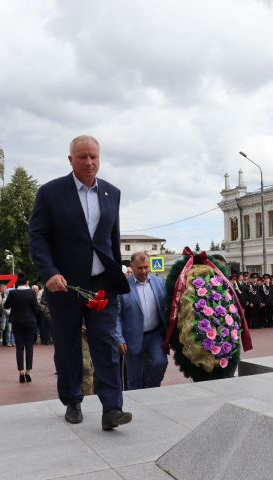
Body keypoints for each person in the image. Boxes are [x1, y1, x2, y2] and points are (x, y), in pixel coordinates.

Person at [28, 134, 132, 431]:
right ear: (70, 159)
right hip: (64, 286)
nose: (89, 162)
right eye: (83, 156)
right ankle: (73, 399)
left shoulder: (112, 192)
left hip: (102, 284)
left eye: (94, 156)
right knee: (68, 345)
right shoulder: (50, 193)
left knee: (107, 344)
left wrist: (116, 272)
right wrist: (48, 273)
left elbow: (111, 240)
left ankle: (112, 408)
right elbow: (37, 237)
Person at [115, 252, 168, 390]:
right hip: (131, 337)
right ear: (131, 267)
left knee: (160, 363)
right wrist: (119, 339)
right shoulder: (123, 287)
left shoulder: (159, 282)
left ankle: (150, 390)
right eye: (140, 268)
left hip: (155, 335)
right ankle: (137, 403)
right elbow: (117, 316)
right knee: (134, 379)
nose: (144, 271)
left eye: (146, 267)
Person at [3, 272, 41, 383]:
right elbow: (36, 309)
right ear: (27, 281)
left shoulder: (13, 293)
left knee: (19, 347)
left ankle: (21, 373)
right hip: (30, 322)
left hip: (17, 322)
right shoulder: (31, 293)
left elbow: (6, 306)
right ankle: (28, 372)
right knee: (29, 347)